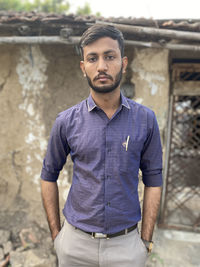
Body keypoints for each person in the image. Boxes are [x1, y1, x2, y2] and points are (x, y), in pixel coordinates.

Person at [40, 24, 163, 267]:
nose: (102, 66)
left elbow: (154, 181)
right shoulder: (66, 121)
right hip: (75, 246)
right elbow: (48, 176)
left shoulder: (146, 120)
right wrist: (58, 237)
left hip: (126, 247)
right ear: (83, 67)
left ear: (123, 63)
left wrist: (146, 240)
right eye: (92, 58)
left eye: (110, 56)